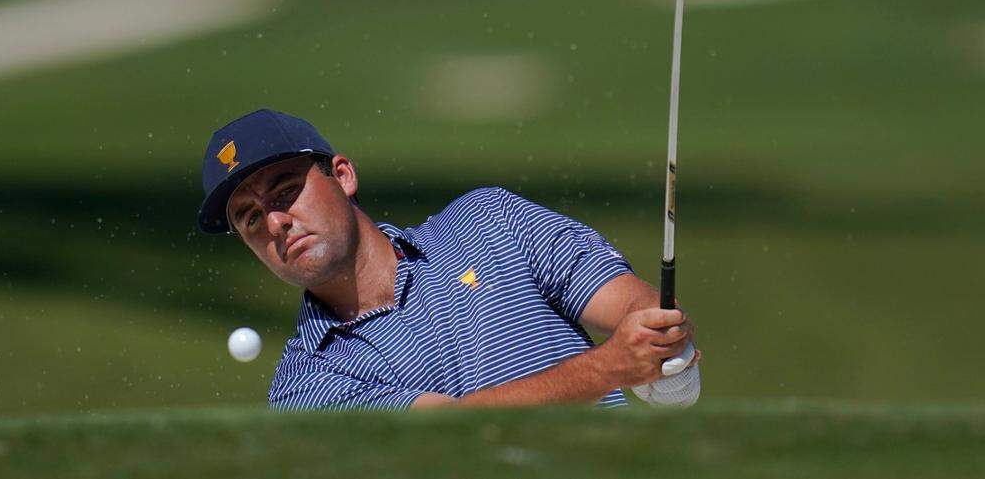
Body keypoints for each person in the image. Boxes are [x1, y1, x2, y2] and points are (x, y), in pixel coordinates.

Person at [198, 108, 701, 410]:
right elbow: (448, 435)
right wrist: (608, 369)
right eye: (249, 218)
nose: (274, 223)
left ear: (343, 176)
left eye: (285, 191)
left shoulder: (489, 220)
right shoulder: (304, 388)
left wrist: (660, 351)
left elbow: (630, 305)